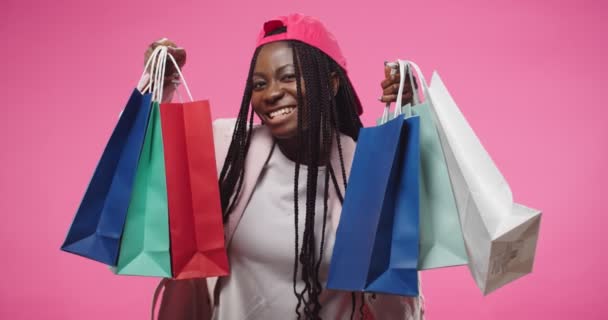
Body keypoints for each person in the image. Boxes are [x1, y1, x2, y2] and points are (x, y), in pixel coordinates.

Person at [145, 13, 422, 320]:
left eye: (288, 76)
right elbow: (153, 174)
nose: (272, 93)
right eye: (259, 84)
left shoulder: (365, 168)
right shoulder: (228, 148)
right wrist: (159, 86)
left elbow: (402, 270)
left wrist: (412, 112)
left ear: (330, 84)